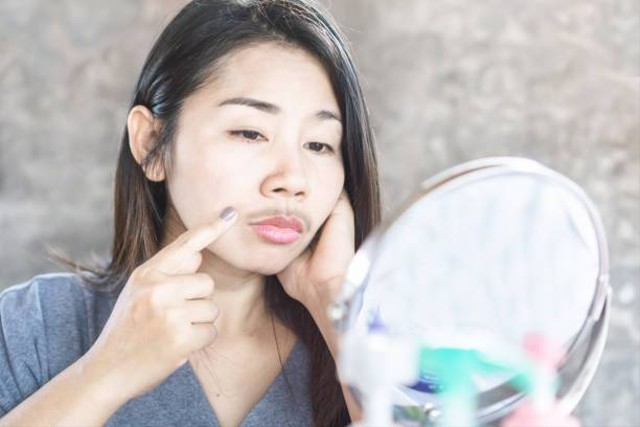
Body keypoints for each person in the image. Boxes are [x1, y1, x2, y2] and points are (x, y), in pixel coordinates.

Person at [0, 0, 381, 426]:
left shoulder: (378, 346)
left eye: (319, 144)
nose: (293, 179)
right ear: (151, 144)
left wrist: (335, 302)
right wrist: (106, 372)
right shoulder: (35, 325)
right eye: (250, 132)